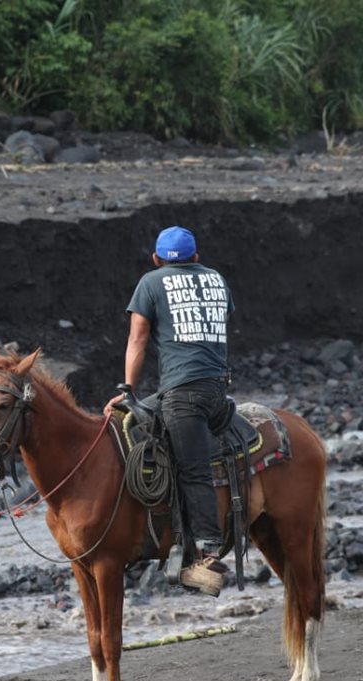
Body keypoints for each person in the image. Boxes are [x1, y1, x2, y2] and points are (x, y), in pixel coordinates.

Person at [103, 226, 235, 596]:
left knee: (192, 471)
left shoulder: (151, 282)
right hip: (216, 390)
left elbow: (138, 339)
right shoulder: (216, 279)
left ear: (157, 259)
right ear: (196, 257)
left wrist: (127, 390)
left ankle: (206, 555)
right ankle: (169, 537)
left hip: (182, 395)